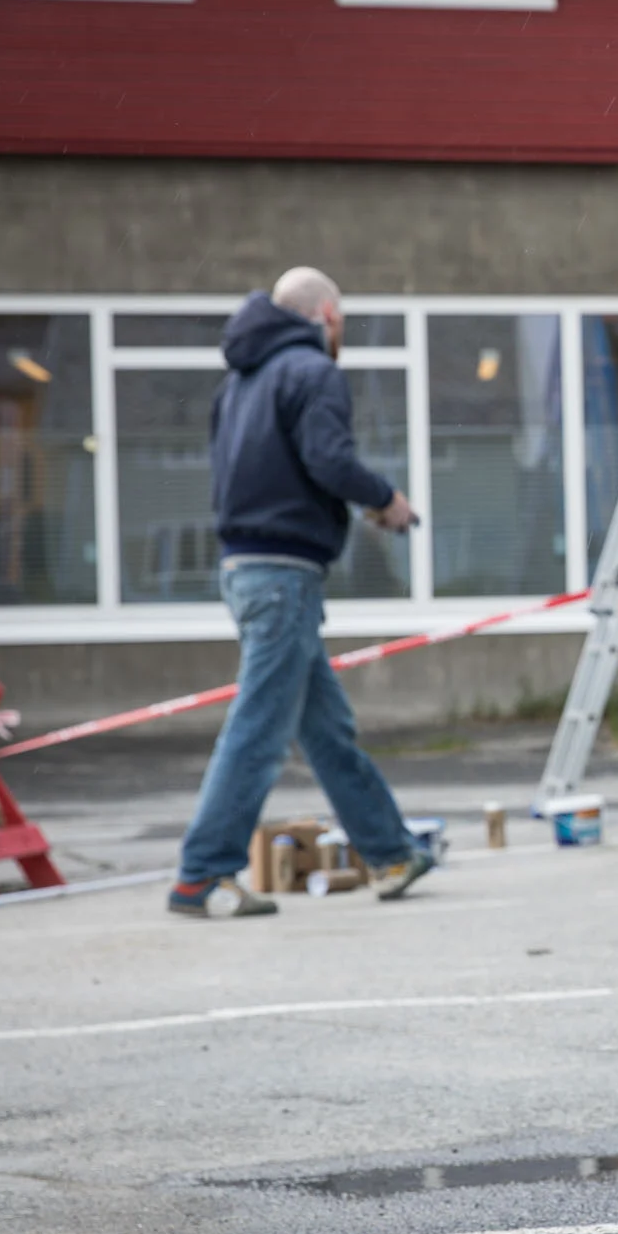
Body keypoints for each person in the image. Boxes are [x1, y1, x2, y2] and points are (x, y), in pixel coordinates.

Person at [169, 268, 436, 918]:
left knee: (325, 727)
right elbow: (328, 460)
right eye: (339, 323)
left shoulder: (239, 381)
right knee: (260, 727)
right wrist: (385, 501)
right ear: (326, 316)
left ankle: (390, 851)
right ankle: (202, 875)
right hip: (283, 574)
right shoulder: (312, 371)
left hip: (248, 566)